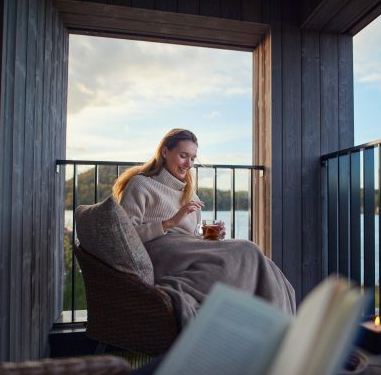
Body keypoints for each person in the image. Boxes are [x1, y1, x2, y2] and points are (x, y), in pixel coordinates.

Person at [112, 128, 296, 325]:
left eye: (193, 158)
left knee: (263, 263)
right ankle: (271, 328)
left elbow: (192, 237)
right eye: (183, 156)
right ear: (165, 152)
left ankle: (274, 331)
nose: (188, 164)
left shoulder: (190, 194)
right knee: (247, 249)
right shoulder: (141, 185)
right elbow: (123, 235)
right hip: (160, 252)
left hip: (184, 250)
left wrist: (212, 239)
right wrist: (169, 223)